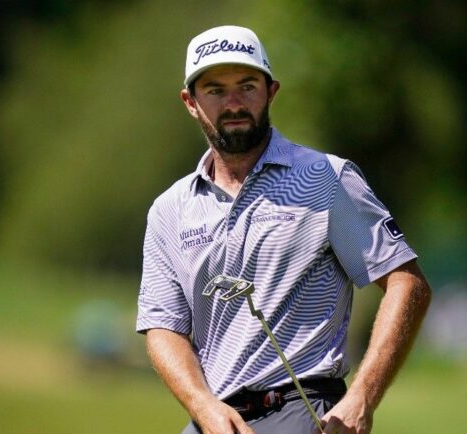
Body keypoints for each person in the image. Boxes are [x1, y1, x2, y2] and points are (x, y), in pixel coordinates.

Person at [136, 25, 432, 434]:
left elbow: (406, 282)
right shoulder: (170, 210)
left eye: (247, 86)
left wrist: (363, 394)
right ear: (191, 102)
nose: (234, 103)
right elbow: (163, 327)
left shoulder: (325, 177)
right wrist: (202, 405)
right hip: (214, 419)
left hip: (302, 408)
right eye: (216, 90)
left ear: (271, 92)